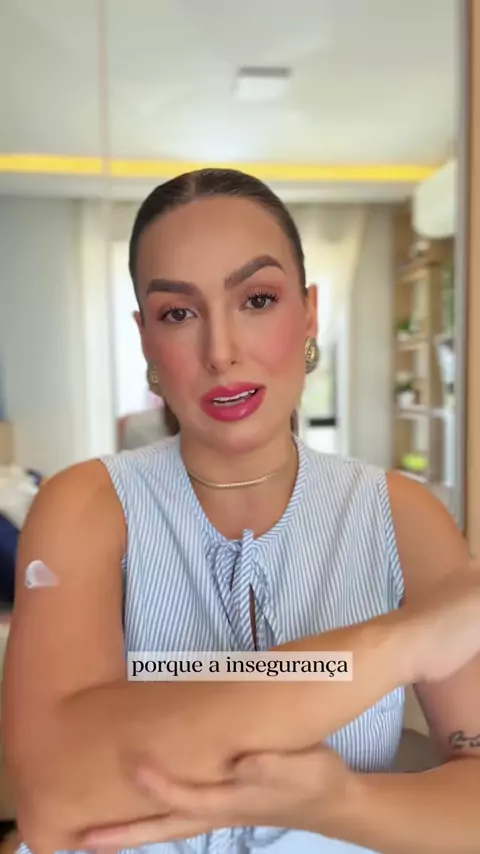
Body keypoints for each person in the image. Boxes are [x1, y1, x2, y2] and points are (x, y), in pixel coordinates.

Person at [3, 168, 480, 854]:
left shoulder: (402, 517)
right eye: (178, 313)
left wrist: (342, 804)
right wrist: (400, 644)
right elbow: (55, 804)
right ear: (145, 339)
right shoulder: (86, 503)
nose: (221, 352)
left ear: (309, 314)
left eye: (257, 299)